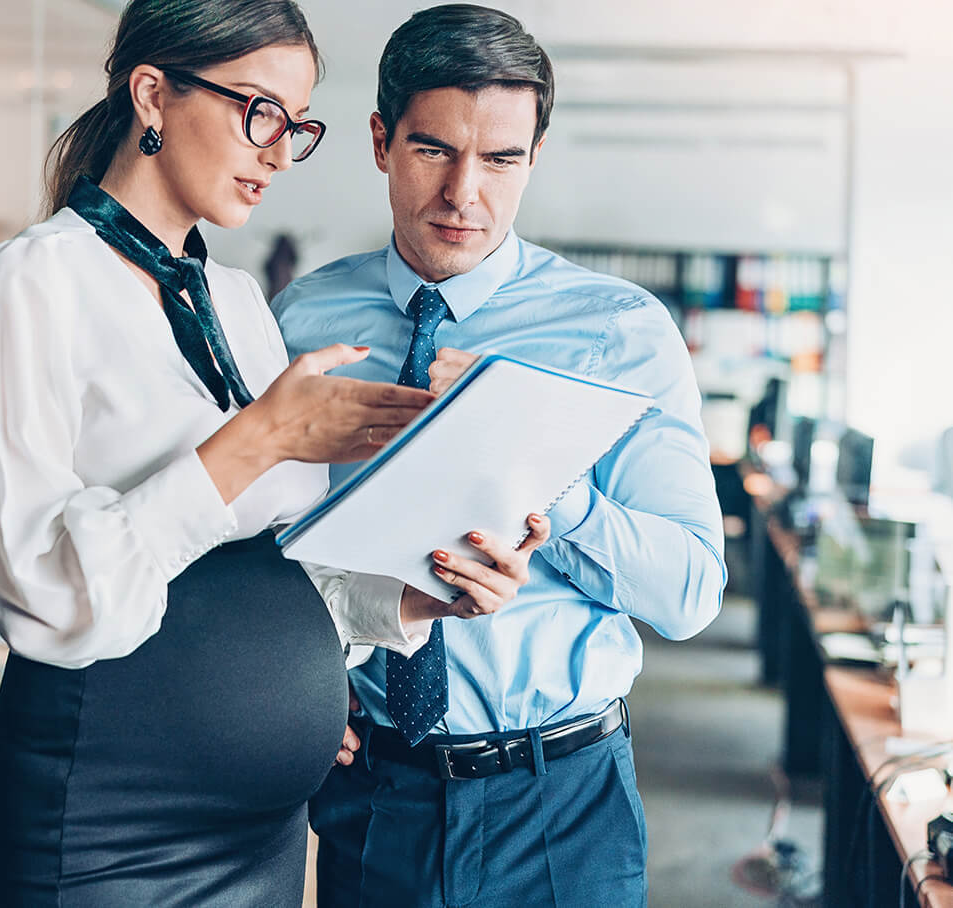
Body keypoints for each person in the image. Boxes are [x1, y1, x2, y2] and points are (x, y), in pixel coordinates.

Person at [0, 1, 546, 903]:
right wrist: (259, 437)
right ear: (151, 94)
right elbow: (44, 596)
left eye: (295, 125)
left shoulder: (236, 300)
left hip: (263, 835)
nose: (276, 152)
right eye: (257, 110)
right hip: (109, 811)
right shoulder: (31, 282)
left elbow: (283, 564)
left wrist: (414, 600)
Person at [272, 6, 728, 906]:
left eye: (502, 159)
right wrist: (293, 682)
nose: (464, 193)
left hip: (560, 798)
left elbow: (688, 593)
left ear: (534, 157)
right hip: (372, 791)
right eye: (434, 150)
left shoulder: (619, 332)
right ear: (380, 142)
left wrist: (519, 454)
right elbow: (263, 551)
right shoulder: (302, 325)